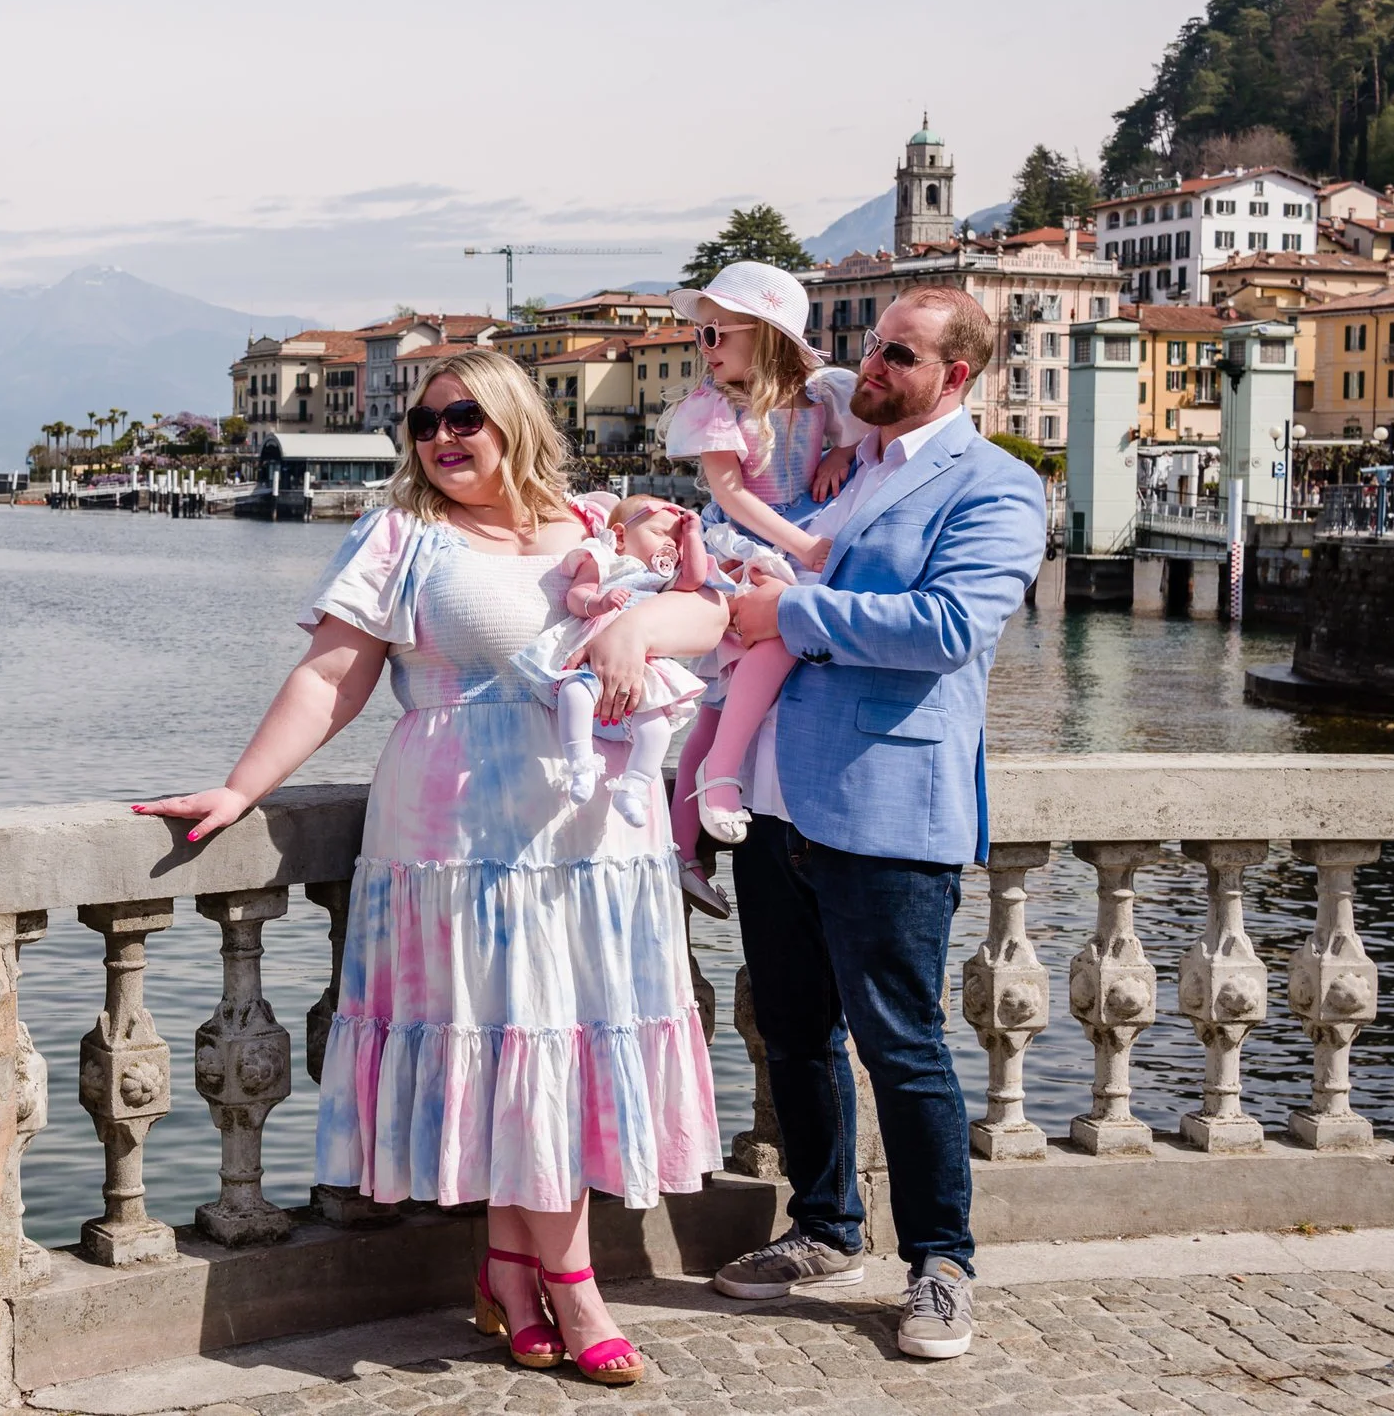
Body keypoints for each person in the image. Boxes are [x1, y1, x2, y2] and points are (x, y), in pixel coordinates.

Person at [134, 349, 728, 1387]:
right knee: (523, 1041)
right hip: (465, 839)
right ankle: (573, 1283)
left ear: (512, 418)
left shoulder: (593, 526)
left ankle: (507, 1265)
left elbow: (717, 616)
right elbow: (331, 677)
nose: (441, 437)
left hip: (591, 842)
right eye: (422, 422)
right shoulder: (404, 536)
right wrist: (240, 788)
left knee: (553, 1048)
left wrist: (635, 622)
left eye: (463, 416)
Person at [703, 285, 1046, 1364]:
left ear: (956, 373)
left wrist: (786, 613)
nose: (871, 367)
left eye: (897, 353)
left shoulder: (996, 485)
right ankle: (822, 1227)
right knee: (797, 1030)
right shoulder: (841, 469)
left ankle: (941, 1262)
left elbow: (948, 626)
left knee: (902, 1044)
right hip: (775, 799)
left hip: (891, 808)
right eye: (869, 347)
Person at [660, 261, 867, 876]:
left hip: (797, 530)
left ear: (767, 335)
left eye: (717, 333)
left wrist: (841, 452)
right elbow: (732, 495)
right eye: (703, 335)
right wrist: (801, 551)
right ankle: (719, 782)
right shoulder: (715, 408)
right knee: (770, 645)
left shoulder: (821, 394)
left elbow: (858, 431)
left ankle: (681, 851)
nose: (706, 347)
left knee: (720, 704)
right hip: (749, 543)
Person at [508, 495, 708, 826]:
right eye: (660, 533)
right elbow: (577, 596)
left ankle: (636, 784)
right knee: (574, 692)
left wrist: (693, 536)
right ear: (618, 536)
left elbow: (695, 580)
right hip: (591, 659)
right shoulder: (603, 559)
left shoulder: (663, 579)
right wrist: (598, 602)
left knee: (656, 725)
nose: (670, 545)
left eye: (675, 540)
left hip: (639, 670)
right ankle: (580, 763)